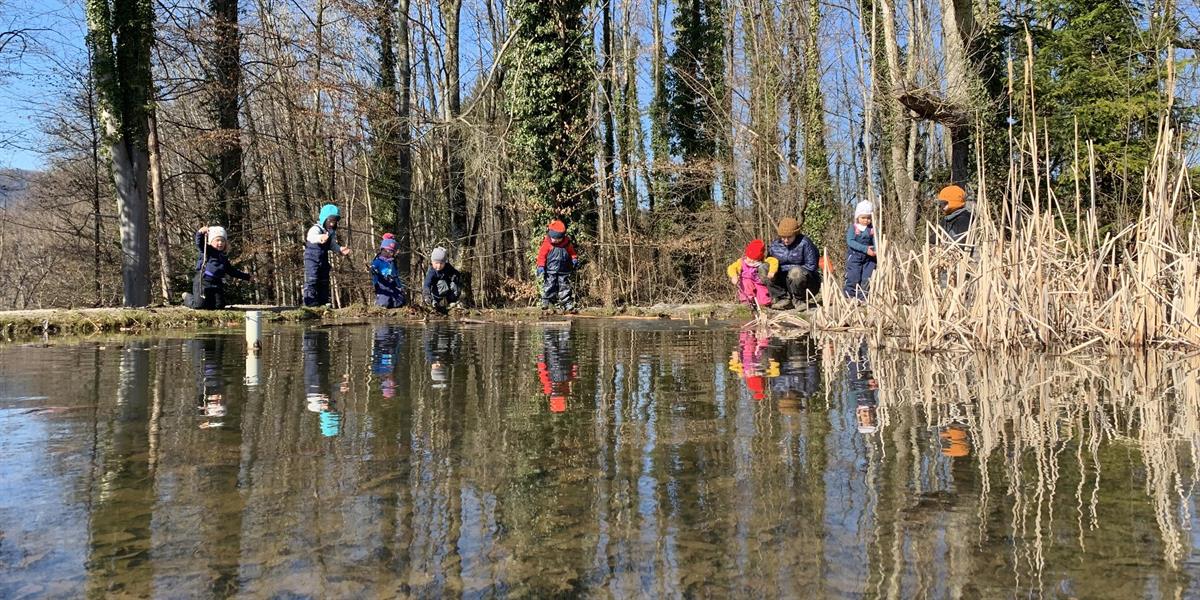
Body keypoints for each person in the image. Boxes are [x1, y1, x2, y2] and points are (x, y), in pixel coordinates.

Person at [187, 225, 251, 310]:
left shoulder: (223, 258)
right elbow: (199, 242)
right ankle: (187, 297)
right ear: (211, 241)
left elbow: (231, 271)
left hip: (216, 284)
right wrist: (200, 232)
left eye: (222, 241)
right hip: (203, 281)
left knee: (219, 306)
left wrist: (247, 277)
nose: (220, 243)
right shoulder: (206, 250)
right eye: (217, 240)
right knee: (199, 305)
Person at [303, 203, 352, 307]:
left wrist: (340, 249)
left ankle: (323, 301)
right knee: (312, 279)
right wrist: (320, 238)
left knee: (324, 280)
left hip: (323, 259)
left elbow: (332, 245)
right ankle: (310, 302)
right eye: (330, 221)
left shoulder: (330, 232)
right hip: (311, 259)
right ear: (324, 219)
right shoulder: (316, 228)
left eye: (334, 221)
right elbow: (310, 237)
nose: (332, 224)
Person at [768, 217, 821, 309]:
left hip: (806, 283)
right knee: (763, 268)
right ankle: (783, 298)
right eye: (783, 237)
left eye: (789, 237)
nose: (786, 240)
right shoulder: (774, 245)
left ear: (796, 234)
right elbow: (768, 261)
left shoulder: (805, 243)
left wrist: (789, 270)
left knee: (795, 272)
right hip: (784, 282)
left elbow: (812, 266)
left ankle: (799, 300)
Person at [536, 220, 580, 312]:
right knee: (549, 285)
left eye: (558, 239)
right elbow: (541, 256)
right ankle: (547, 302)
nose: (555, 240)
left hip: (563, 270)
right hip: (550, 270)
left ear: (562, 237)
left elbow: (572, 252)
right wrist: (541, 266)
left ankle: (567, 304)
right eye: (554, 238)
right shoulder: (547, 243)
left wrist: (574, 259)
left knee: (564, 287)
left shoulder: (567, 244)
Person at [726, 240, 779, 309]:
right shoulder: (741, 261)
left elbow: (774, 261)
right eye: (750, 258)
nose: (751, 261)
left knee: (764, 300)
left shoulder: (763, 260)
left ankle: (763, 306)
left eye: (754, 260)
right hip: (746, 282)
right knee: (747, 285)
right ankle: (746, 303)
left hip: (759, 283)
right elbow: (732, 268)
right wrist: (734, 276)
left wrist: (772, 271)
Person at [537, 326, 578, 413]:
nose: (558, 388)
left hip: (554, 360)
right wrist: (574, 365)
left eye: (557, 392)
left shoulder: (548, 388)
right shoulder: (566, 388)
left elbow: (543, 373)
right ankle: (562, 329)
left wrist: (541, 360)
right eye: (560, 392)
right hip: (561, 360)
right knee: (561, 343)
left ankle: (551, 329)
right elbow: (572, 374)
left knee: (553, 343)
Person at [843, 201, 877, 300]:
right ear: (857, 217)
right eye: (863, 217)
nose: (866, 220)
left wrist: (875, 250)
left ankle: (863, 298)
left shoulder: (872, 229)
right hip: (855, 257)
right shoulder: (853, 228)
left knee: (867, 278)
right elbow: (850, 242)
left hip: (869, 258)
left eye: (868, 218)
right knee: (853, 276)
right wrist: (865, 249)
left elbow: (876, 241)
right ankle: (849, 296)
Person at [370, 234, 407, 308]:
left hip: (393, 284)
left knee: (400, 301)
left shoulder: (392, 262)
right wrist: (373, 270)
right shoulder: (377, 261)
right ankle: (378, 302)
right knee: (384, 302)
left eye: (390, 252)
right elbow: (373, 269)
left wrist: (400, 286)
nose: (387, 253)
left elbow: (396, 275)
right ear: (381, 250)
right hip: (382, 285)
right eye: (385, 251)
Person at [422, 247, 463, 314]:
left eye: (441, 263)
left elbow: (456, 273)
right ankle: (435, 303)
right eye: (436, 263)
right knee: (442, 283)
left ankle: (452, 302)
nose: (439, 266)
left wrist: (454, 276)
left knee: (455, 284)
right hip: (436, 292)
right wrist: (426, 295)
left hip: (448, 291)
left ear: (445, 263)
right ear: (432, 262)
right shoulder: (431, 271)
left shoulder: (448, 267)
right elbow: (426, 284)